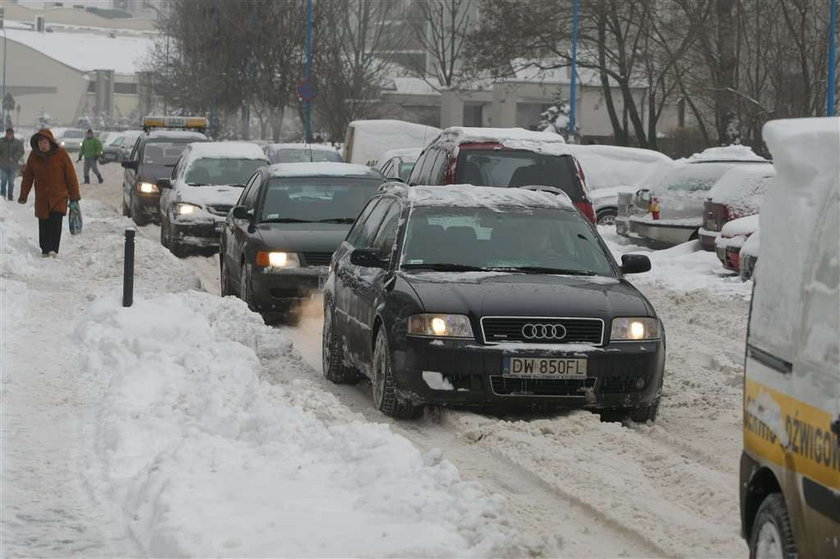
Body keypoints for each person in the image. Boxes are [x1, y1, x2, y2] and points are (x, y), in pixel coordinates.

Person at [18, 129, 81, 257]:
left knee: (55, 222)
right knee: (44, 224)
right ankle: (45, 249)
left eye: (45, 142)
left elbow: (71, 176)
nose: (43, 145)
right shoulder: (33, 157)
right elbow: (28, 177)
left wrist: (74, 195)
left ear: (50, 142)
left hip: (59, 196)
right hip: (42, 198)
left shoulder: (61, 154)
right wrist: (23, 195)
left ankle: (53, 249)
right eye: (40, 143)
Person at [0, 128, 25, 200]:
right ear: (6, 134)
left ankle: (10, 195)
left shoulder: (17, 142)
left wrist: (14, 157)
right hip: (3, 165)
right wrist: (1, 158)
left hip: (13, 165)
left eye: (11, 134)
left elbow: (21, 151)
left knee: (11, 181)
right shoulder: (1, 142)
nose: (9, 135)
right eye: (8, 134)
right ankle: (2, 194)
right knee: (3, 180)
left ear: (13, 134)